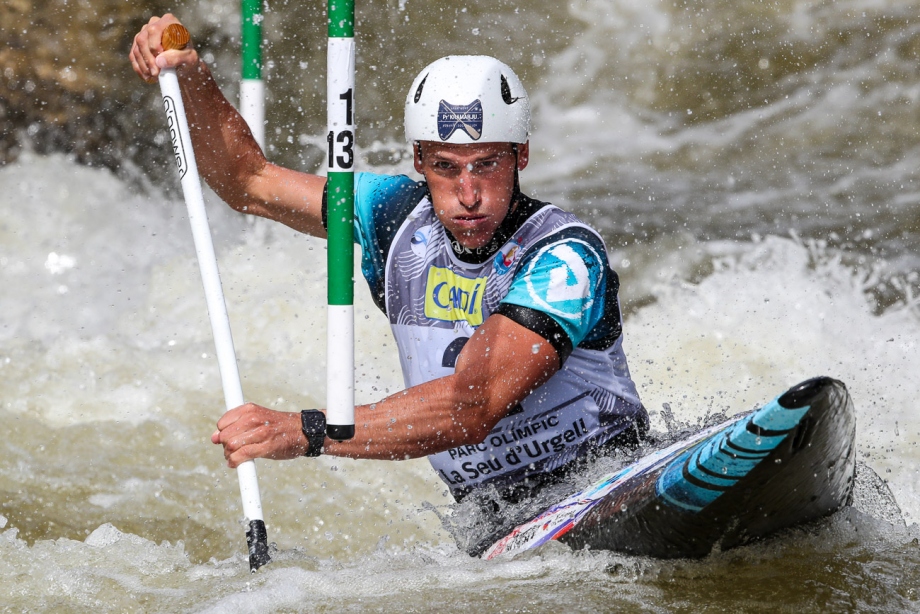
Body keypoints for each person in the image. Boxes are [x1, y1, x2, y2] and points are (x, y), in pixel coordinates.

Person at [130, 14, 648, 554]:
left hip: (605, 481)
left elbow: (472, 406)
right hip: (492, 521)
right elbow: (249, 184)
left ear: (521, 155)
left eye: (487, 165)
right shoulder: (391, 214)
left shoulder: (564, 253)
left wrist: (308, 431)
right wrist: (189, 76)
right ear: (419, 159)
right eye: (446, 167)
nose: (468, 193)